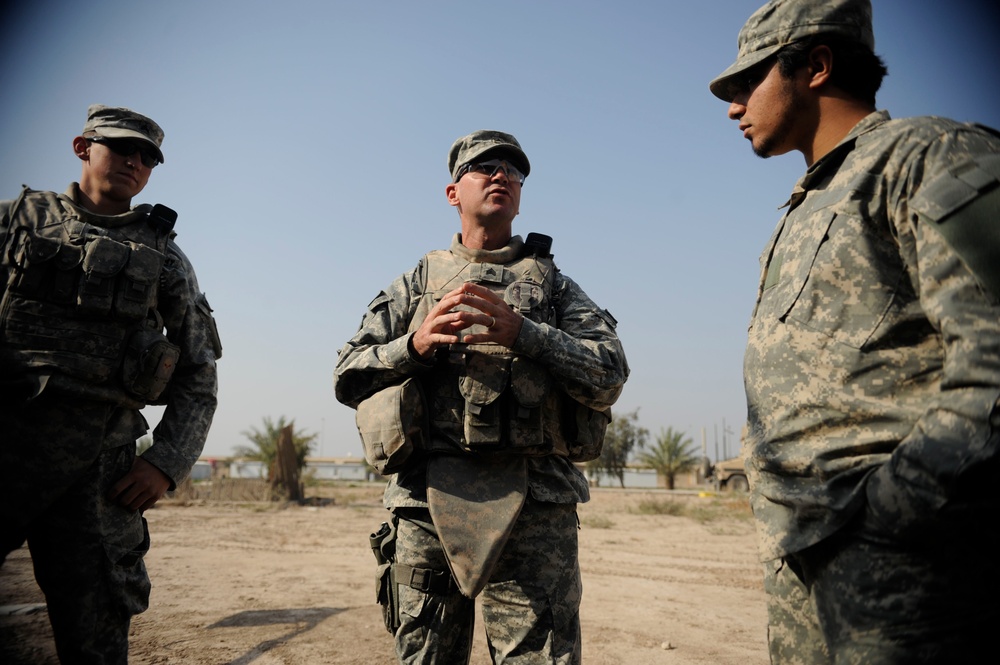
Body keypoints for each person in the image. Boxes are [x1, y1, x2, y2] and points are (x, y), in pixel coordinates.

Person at [709, 1, 1000, 662]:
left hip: (904, 562)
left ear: (815, 65)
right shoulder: (808, 204)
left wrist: (891, 512)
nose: (733, 107)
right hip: (804, 550)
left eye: (746, 83)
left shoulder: (927, 155)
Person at [334, 130, 627, 664]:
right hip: (425, 502)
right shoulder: (415, 283)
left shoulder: (555, 287)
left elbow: (610, 373)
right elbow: (347, 375)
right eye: (485, 167)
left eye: (513, 171)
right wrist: (414, 346)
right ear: (453, 192)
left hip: (535, 507)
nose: (502, 176)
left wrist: (527, 334)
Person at [0, 104, 221, 663]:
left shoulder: (166, 258)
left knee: (96, 640)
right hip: (5, 447)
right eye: (123, 148)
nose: (135, 162)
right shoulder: (15, 223)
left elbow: (199, 369)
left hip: (101, 473)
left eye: (148, 157)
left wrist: (167, 462)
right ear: (83, 148)